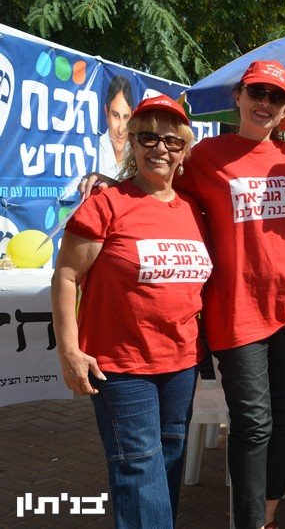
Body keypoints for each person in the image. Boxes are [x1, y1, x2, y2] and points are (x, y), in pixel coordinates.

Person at [80, 61, 285, 529]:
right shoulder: (206, 156)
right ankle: (248, 520)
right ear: (239, 97)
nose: (265, 103)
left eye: (276, 97)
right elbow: (156, 176)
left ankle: (268, 515)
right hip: (236, 311)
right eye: (257, 92)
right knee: (252, 422)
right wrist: (110, 183)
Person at [52, 94, 210, 528]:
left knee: (168, 461)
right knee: (139, 468)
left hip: (181, 362)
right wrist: (69, 351)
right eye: (148, 138)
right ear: (132, 143)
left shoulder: (193, 209)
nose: (160, 149)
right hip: (121, 365)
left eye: (172, 141)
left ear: (185, 151)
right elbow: (66, 276)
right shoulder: (106, 204)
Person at [97, 75, 134, 180]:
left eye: (126, 117)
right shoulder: (93, 153)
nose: (121, 129)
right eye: (116, 115)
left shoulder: (136, 155)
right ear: (106, 112)